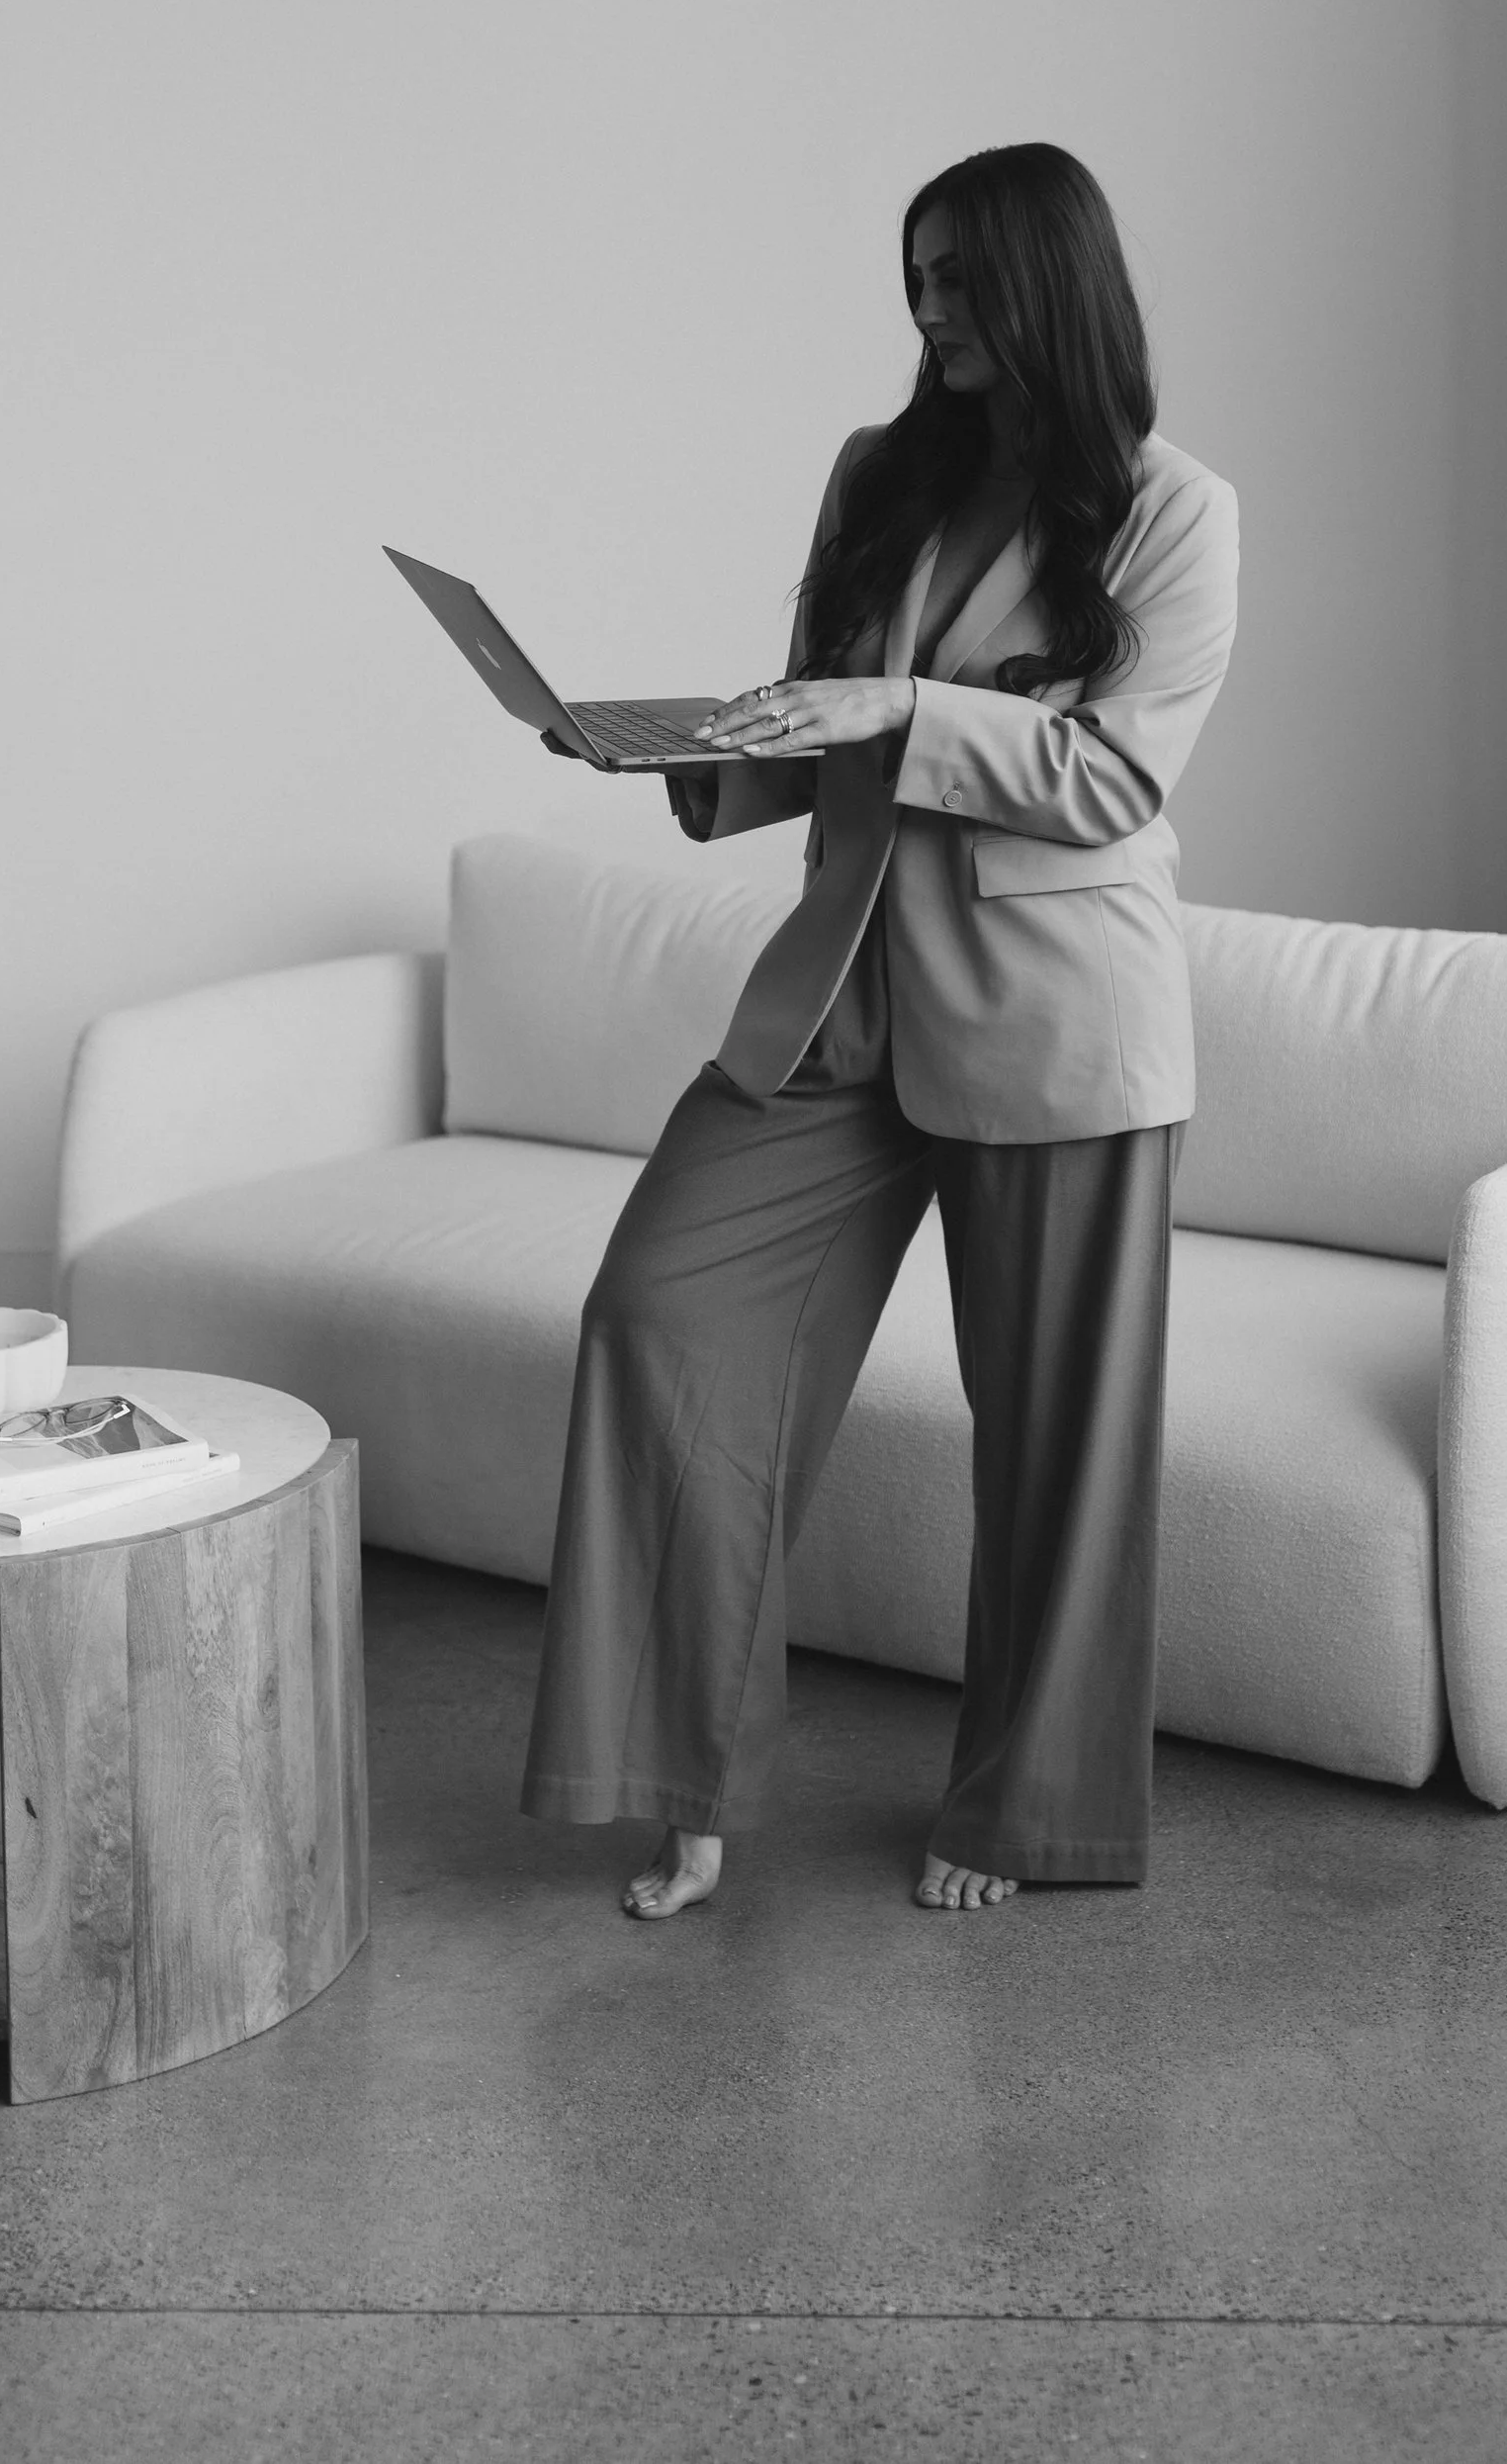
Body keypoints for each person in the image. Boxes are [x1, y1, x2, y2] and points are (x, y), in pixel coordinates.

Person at [518, 140, 1239, 1918]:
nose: (932, 316)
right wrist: (683, 759)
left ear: (1049, 287)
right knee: (662, 1311)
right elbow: (826, 720)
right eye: (915, 281)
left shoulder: (1173, 511)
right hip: (842, 995)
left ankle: (1023, 1813)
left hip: (1059, 1015)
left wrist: (906, 704)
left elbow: (1110, 774)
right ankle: (686, 1778)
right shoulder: (879, 475)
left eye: (964, 282)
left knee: (1057, 1442)